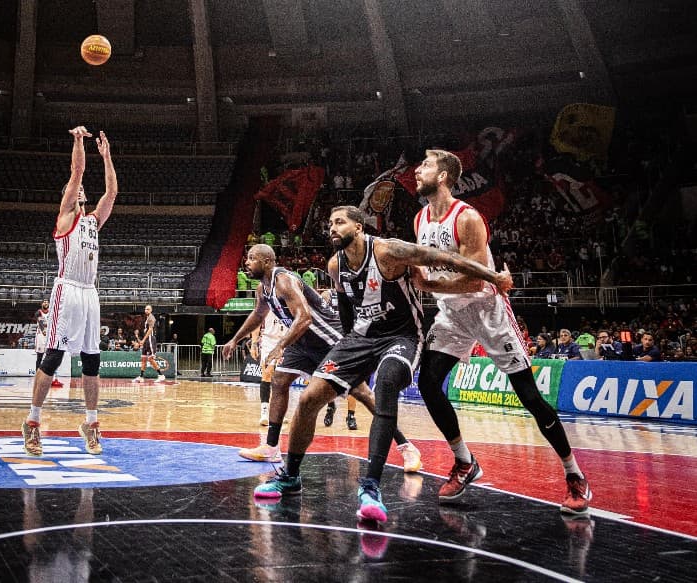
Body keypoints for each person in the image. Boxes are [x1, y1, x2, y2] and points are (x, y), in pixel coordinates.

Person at [250, 207, 511, 523]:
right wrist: (347, 348)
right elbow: (346, 305)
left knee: (384, 385)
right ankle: (291, 475)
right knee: (308, 398)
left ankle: (371, 488)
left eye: (339, 222)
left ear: (359, 227)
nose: (331, 227)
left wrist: (493, 277)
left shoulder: (388, 249)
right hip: (360, 338)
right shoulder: (336, 265)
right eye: (329, 222)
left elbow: (444, 258)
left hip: (401, 337)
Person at [411, 149, 590, 516]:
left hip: (487, 311)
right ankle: (465, 462)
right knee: (428, 383)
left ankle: (575, 475)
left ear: (443, 176)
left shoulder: (468, 218)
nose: (417, 170)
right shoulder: (420, 219)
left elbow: (474, 279)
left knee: (529, 396)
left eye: (425, 166)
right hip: (451, 316)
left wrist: (430, 288)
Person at [222, 243, 424, 473]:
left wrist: (280, 345)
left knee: (361, 393)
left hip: (327, 339)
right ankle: (271, 447)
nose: (246, 263)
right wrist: (235, 340)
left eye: (251, 258)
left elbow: (305, 318)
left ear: (267, 261)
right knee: (278, 381)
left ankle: (406, 446)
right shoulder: (262, 289)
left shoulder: (284, 280)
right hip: (301, 344)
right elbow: (258, 314)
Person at [22, 125, 118, 457]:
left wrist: (106, 158)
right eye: (72, 190)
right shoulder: (65, 217)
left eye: (79, 190)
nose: (77, 190)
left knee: (92, 361)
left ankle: (91, 424)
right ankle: (33, 422)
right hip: (67, 290)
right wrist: (79, 141)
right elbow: (77, 171)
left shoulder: (93, 220)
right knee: (54, 357)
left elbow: (112, 193)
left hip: (90, 292)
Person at [134, 305, 166, 381]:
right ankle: (141, 376)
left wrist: (143, 340)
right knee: (143, 359)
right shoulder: (147, 318)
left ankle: (161, 375)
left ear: (151, 310)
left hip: (150, 339)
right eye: (145, 309)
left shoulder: (151, 318)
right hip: (146, 340)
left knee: (151, 358)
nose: (146, 310)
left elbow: (150, 330)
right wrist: (139, 338)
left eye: (148, 309)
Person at [33, 300, 60, 385]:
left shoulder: (52, 312)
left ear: (49, 304)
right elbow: (41, 323)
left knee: (50, 357)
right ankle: (37, 376)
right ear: (42, 304)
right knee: (39, 357)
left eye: (47, 302)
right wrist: (45, 331)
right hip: (41, 336)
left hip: (49, 336)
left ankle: (50, 376)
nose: (45, 303)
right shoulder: (38, 312)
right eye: (44, 302)